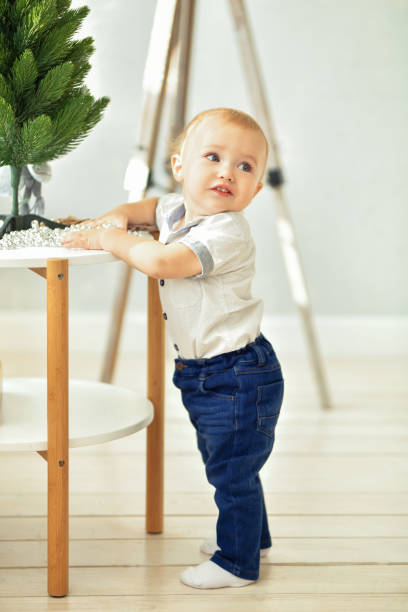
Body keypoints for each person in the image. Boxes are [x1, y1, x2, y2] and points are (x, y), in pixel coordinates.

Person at [61, 107, 284, 589]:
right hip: (208, 373)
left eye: (245, 167)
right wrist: (118, 217)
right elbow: (143, 210)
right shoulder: (177, 211)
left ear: (256, 190)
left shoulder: (226, 232)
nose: (228, 172)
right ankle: (253, 535)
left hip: (238, 374)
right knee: (229, 462)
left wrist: (108, 238)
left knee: (232, 469)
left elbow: (162, 260)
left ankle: (237, 562)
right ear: (181, 167)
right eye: (213, 157)